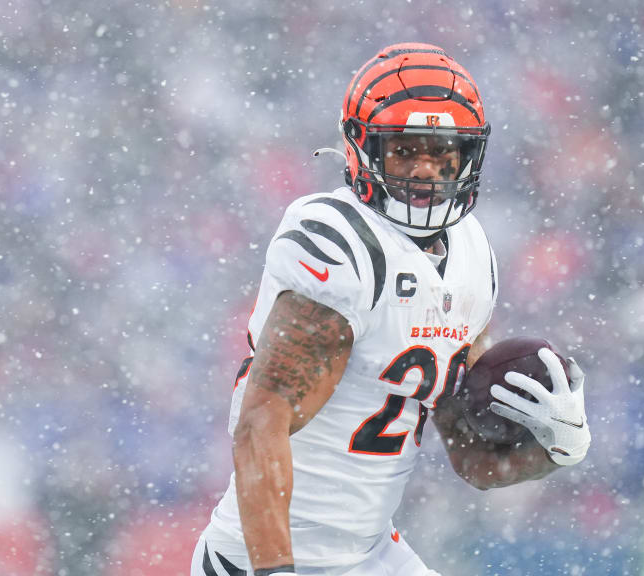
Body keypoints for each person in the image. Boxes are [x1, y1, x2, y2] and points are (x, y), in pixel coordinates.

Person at [191, 42, 591, 576]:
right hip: (265, 557)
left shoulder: (472, 255)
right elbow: (259, 424)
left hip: (370, 553)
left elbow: (471, 458)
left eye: (442, 148)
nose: (425, 169)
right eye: (405, 150)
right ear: (364, 149)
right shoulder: (342, 244)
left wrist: (558, 448)